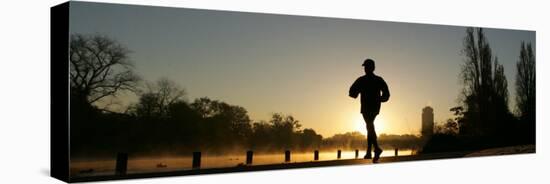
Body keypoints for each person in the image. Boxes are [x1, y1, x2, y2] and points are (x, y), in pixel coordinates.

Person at [349, 58, 390, 163]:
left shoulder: (364, 80)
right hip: (373, 107)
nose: (365, 69)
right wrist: (380, 99)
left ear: (372, 68)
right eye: (365, 67)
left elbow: (386, 94)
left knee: (369, 125)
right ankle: (370, 151)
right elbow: (353, 92)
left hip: (368, 107)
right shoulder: (372, 80)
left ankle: (376, 149)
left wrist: (380, 99)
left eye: (367, 67)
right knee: (369, 126)